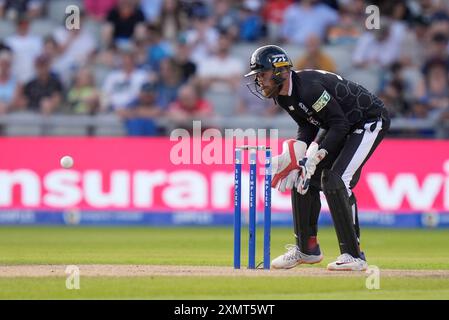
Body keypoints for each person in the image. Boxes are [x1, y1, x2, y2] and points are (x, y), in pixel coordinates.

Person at [244, 45, 390, 271]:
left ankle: (354, 255)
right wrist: (300, 153)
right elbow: (307, 125)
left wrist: (317, 154)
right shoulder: (283, 96)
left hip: (367, 121)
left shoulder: (309, 89)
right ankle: (307, 249)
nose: (259, 81)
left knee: (336, 180)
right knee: (300, 175)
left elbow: (338, 124)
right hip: (340, 125)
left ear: (279, 71)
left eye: (261, 74)